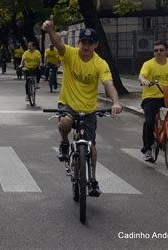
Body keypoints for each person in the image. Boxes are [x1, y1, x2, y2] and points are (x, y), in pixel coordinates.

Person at [42, 16, 122, 197]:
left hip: (88, 108)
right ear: (79, 43)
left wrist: (116, 102)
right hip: (68, 104)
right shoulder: (70, 54)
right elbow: (59, 44)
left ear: (95, 45)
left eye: (90, 43)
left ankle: (92, 179)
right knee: (65, 122)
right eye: (83, 42)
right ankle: (64, 143)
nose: (86, 47)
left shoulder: (100, 63)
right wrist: (51, 31)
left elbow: (109, 84)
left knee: (91, 145)